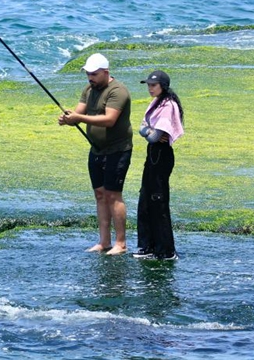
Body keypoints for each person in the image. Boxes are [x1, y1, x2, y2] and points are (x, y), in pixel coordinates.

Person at [59, 53, 133, 256]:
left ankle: (121, 243)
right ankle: (104, 242)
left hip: (118, 150)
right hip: (97, 149)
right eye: (88, 74)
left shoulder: (118, 91)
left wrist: (79, 118)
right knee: (100, 194)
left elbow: (109, 119)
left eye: (94, 74)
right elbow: (78, 113)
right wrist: (69, 119)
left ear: (106, 72)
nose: (90, 78)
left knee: (113, 195)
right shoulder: (89, 89)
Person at [134, 70, 184, 261]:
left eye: (153, 85)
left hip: (161, 155)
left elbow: (155, 136)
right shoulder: (156, 103)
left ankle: (166, 250)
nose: (149, 88)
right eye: (148, 85)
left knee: (158, 200)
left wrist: (148, 131)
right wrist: (148, 130)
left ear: (162, 85)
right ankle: (148, 246)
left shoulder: (168, 105)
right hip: (152, 152)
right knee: (145, 198)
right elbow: (142, 129)